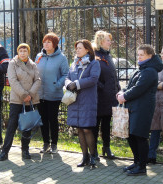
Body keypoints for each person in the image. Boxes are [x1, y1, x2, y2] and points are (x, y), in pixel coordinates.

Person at [117, 44, 163, 176]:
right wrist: (122, 91)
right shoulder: (142, 69)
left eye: (142, 54)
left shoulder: (150, 71)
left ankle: (142, 166)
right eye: (138, 54)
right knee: (131, 135)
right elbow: (131, 85)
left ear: (150, 56)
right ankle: (137, 162)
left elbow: (139, 88)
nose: (139, 57)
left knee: (140, 136)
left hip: (143, 108)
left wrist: (124, 96)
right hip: (133, 107)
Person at [0, 43, 41, 161]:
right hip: (17, 99)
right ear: (18, 52)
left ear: (28, 52)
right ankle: (5, 151)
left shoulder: (33, 64)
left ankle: (25, 150)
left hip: (30, 99)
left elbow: (37, 80)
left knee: (27, 126)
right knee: (12, 125)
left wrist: (30, 94)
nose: (23, 53)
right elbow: (12, 80)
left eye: (25, 51)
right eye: (20, 51)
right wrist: (23, 94)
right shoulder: (13, 63)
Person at [65, 39, 100, 167]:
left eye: (80, 48)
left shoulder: (93, 63)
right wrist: (69, 84)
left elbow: (93, 79)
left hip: (87, 100)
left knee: (86, 129)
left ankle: (93, 156)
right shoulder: (74, 63)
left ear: (87, 49)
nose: (77, 50)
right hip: (75, 100)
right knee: (79, 128)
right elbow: (67, 77)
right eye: (77, 48)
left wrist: (77, 84)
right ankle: (84, 157)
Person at [35, 32, 69, 154]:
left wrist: (58, 84)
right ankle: (45, 144)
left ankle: (54, 144)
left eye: (49, 42)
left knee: (52, 119)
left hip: (54, 94)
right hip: (40, 94)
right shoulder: (39, 56)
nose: (46, 44)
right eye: (44, 42)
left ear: (54, 44)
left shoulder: (61, 58)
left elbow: (66, 74)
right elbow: (35, 71)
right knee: (43, 119)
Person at [92, 31, 120, 160]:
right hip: (98, 97)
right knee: (95, 125)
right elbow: (92, 76)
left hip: (110, 96)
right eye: (108, 40)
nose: (110, 42)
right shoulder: (94, 55)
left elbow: (112, 75)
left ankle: (106, 147)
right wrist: (102, 87)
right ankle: (93, 150)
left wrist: (117, 89)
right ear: (101, 41)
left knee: (106, 124)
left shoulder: (108, 56)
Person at [148, 44, 163, 168]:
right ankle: (151, 156)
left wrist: (162, 85)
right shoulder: (157, 67)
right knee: (154, 130)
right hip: (155, 104)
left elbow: (157, 84)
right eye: (162, 53)